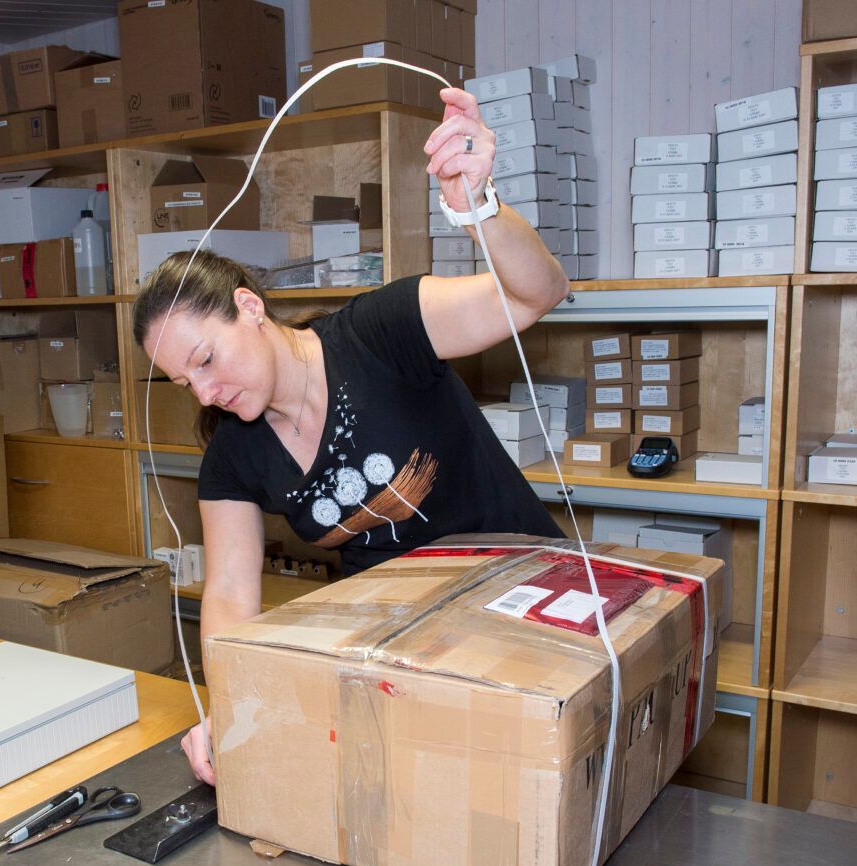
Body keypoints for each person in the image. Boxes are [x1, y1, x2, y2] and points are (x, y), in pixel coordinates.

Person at [132, 87, 571, 785]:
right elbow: (229, 595)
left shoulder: (383, 333)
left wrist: (480, 206)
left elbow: (537, 292)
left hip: (522, 604)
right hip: (403, 651)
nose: (206, 392)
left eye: (206, 361)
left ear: (248, 307)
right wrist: (229, 707)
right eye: (186, 384)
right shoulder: (234, 453)